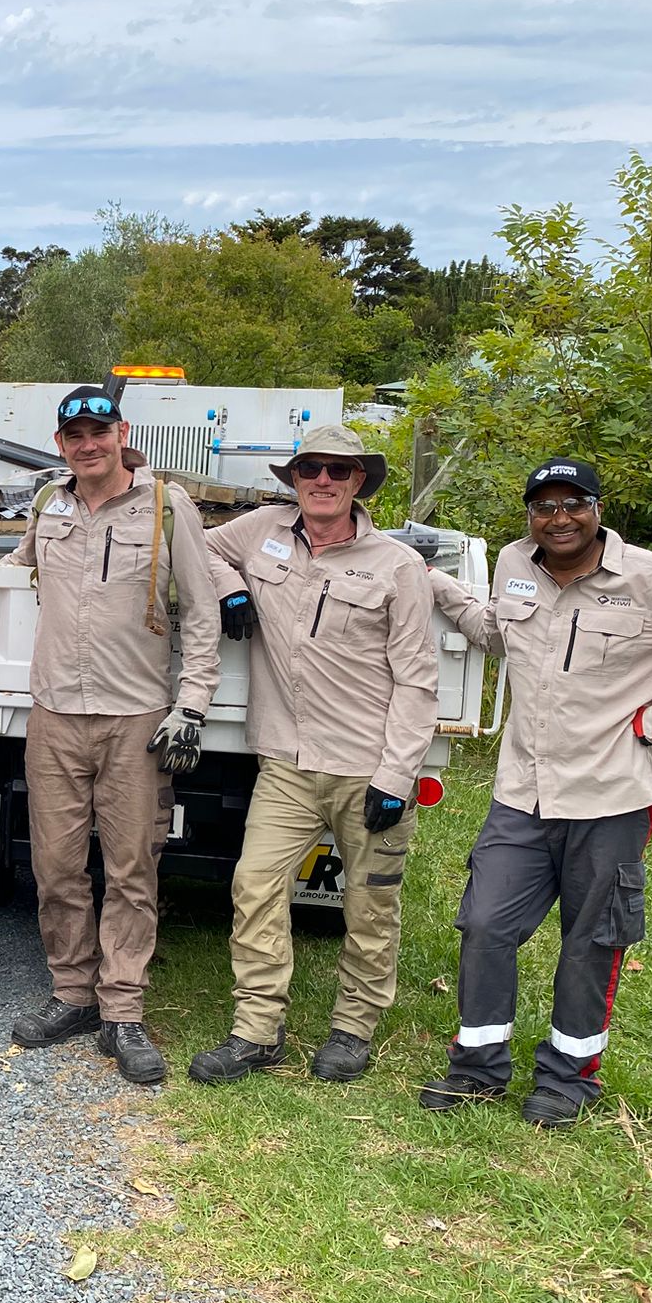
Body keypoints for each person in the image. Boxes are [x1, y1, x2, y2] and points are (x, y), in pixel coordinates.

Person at [422, 458, 652, 1127]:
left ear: (596, 508)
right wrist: (440, 587)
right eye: (543, 506)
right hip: (521, 794)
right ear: (529, 513)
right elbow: (502, 635)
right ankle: (477, 1069)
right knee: (485, 925)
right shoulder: (513, 563)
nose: (559, 518)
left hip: (610, 797)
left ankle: (568, 1079)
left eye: (572, 504)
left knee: (591, 942)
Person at [189, 424, 437, 1087]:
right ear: (292, 479)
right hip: (288, 764)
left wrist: (397, 774)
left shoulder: (397, 566)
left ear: (359, 482)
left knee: (369, 905)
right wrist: (228, 588)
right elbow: (197, 543)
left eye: (338, 470)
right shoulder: (263, 529)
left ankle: (353, 1029)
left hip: (368, 767)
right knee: (254, 887)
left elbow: (417, 679)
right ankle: (257, 1030)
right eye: (309, 470)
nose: (322, 481)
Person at [8, 385, 222, 1085]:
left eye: (99, 430)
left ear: (121, 432)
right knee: (57, 869)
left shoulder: (166, 507)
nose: (87, 443)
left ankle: (122, 1011)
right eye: (74, 434)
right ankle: (72, 995)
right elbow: (12, 578)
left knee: (132, 870)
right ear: (61, 441)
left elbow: (201, 611)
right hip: (55, 717)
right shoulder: (49, 505)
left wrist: (190, 706)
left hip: (134, 720)